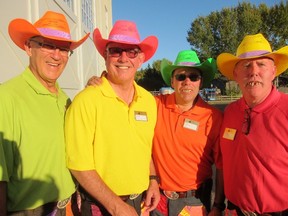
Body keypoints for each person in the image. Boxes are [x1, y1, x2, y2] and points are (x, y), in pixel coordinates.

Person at [64, 20, 160, 216]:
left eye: (131, 51)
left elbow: (144, 146)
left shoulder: (148, 101)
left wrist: (152, 180)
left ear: (140, 58)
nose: (123, 58)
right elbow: (78, 165)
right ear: (105, 55)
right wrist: (116, 207)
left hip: (140, 202)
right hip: (101, 205)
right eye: (116, 50)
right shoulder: (86, 100)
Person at [0, 11, 89, 215]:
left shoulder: (64, 99)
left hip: (67, 206)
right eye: (47, 45)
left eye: (64, 48)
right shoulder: (6, 97)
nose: (57, 55)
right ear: (28, 47)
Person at [217, 33, 288, 215]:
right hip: (233, 210)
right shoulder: (230, 112)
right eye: (246, 65)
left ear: (273, 71)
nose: (253, 71)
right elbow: (223, 163)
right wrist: (218, 205)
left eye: (261, 64)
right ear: (236, 74)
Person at [151, 50, 225, 216]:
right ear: (172, 81)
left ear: (200, 82)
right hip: (158, 199)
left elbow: (221, 166)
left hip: (194, 201)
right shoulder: (155, 105)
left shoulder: (213, 117)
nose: (187, 81)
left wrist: (218, 206)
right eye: (180, 76)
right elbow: (126, 93)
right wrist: (105, 79)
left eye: (193, 77)